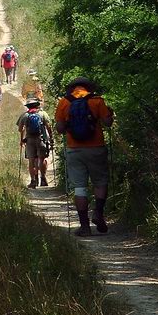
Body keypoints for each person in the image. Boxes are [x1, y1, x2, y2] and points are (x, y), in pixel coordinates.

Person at [54, 77, 114, 236]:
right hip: (96, 148)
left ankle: (85, 226)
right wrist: (110, 114)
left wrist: (68, 125)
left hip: (74, 150)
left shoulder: (64, 102)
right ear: (89, 87)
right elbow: (107, 123)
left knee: (80, 188)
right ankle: (98, 213)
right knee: (100, 182)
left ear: (72, 88)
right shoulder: (97, 101)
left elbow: (59, 128)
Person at [17, 97, 54, 188]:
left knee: (31, 161)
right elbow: (49, 127)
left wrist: (22, 140)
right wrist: (51, 139)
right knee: (42, 159)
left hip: (29, 141)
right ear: (37, 105)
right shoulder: (43, 114)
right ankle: (43, 179)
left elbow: (20, 129)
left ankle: (33, 181)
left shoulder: (24, 115)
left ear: (28, 106)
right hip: (41, 139)